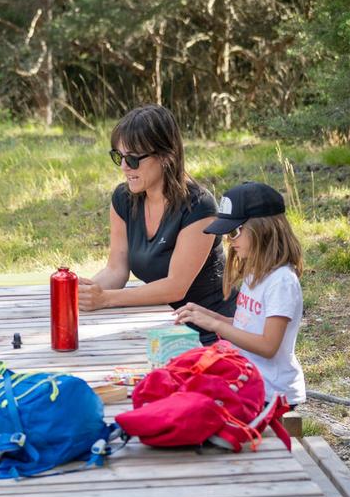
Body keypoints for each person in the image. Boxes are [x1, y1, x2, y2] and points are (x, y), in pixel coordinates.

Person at [78, 104, 236, 344]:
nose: (124, 167)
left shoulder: (199, 206)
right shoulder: (123, 199)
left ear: (165, 156)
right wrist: (81, 293)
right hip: (161, 324)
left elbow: (175, 287)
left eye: (132, 159)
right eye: (118, 156)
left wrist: (106, 299)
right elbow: (116, 269)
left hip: (210, 332)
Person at [174, 181, 306, 406]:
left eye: (234, 232)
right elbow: (247, 325)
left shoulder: (281, 281)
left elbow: (267, 346)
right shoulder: (256, 271)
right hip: (250, 381)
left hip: (272, 395)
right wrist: (209, 316)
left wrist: (217, 326)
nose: (229, 240)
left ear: (263, 228)